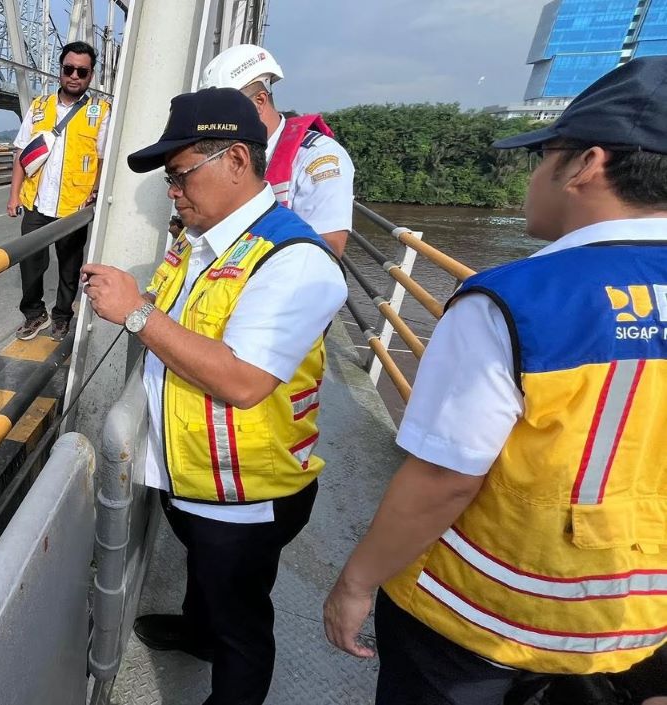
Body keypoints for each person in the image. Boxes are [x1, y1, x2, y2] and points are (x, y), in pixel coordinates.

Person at [322, 56, 667, 705]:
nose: (531, 175)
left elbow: (444, 479)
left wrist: (356, 580)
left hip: (476, 622)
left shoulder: (512, 301)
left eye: (542, 155)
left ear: (587, 164)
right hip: (634, 630)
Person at [82, 87, 347, 705]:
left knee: (242, 626)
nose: (171, 191)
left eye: (180, 175)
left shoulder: (294, 259)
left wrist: (136, 312)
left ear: (235, 160)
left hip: (243, 493)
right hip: (196, 475)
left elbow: (242, 380)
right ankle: (197, 630)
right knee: (209, 582)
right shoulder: (201, 241)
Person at [200, 44, 354, 256]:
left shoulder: (318, 157)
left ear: (259, 101)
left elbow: (328, 250)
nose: (217, 122)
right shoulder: (225, 152)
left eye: (225, 112)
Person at [7, 40, 111, 341]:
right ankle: (34, 314)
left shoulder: (100, 111)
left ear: (91, 76)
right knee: (30, 264)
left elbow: (103, 158)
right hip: (37, 203)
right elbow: (21, 154)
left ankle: (62, 316)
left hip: (74, 206)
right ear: (60, 71)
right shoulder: (39, 108)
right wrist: (13, 195)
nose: (75, 76)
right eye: (69, 69)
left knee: (69, 267)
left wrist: (96, 189)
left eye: (82, 71)